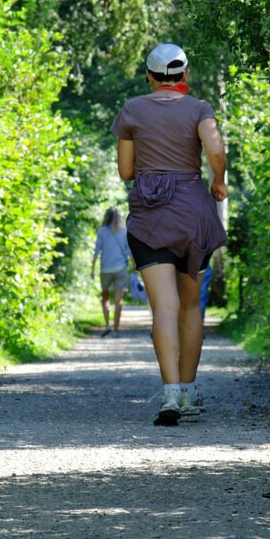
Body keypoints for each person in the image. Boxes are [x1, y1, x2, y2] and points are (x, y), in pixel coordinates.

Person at [111, 43, 228, 426]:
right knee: (191, 305)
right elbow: (214, 146)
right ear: (185, 76)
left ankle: (170, 394)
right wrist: (219, 181)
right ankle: (191, 392)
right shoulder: (199, 109)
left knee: (164, 307)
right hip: (193, 214)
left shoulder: (132, 110)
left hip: (150, 214)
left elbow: (126, 172)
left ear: (149, 75)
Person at [91, 207, 131, 337]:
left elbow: (97, 250)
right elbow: (129, 251)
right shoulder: (124, 231)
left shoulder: (102, 231)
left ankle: (108, 324)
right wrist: (135, 266)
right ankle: (116, 328)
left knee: (105, 297)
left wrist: (92, 269)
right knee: (119, 300)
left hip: (105, 269)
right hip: (121, 268)